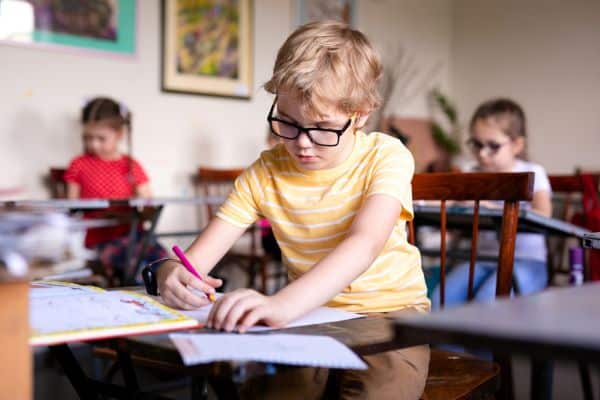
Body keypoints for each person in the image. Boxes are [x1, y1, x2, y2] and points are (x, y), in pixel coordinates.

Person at [153, 21, 429, 399]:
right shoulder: (266, 171)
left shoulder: (386, 155)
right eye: (287, 122)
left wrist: (281, 303)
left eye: (322, 128)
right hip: (311, 315)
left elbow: (364, 244)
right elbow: (193, 262)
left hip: (393, 314)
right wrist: (170, 273)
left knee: (381, 390)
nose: (302, 144)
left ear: (361, 114)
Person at [432, 98, 552, 308]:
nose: (482, 154)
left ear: (517, 144)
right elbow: (452, 205)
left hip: (527, 262)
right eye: (476, 144)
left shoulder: (533, 173)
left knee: (488, 302)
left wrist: (492, 208)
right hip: (481, 259)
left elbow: (544, 215)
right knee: (441, 300)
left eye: (493, 146)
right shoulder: (472, 173)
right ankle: (449, 342)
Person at [64, 96, 166, 282]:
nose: (94, 144)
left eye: (101, 138)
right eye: (88, 138)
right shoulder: (78, 165)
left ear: (120, 134)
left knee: (165, 261)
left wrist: (137, 212)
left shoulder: (131, 166)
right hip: (98, 240)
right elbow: (72, 208)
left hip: (133, 236)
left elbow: (149, 204)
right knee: (136, 266)